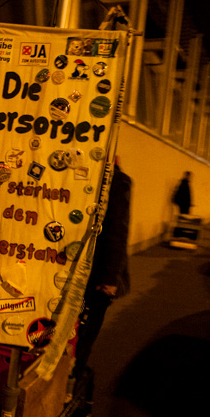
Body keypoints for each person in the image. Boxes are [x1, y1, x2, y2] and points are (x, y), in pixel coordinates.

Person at [73, 157, 132, 378]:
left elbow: (117, 231)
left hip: (77, 270)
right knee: (84, 333)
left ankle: (66, 377)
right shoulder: (117, 181)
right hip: (96, 274)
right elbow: (118, 230)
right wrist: (110, 278)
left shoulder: (79, 174)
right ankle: (71, 379)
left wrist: (111, 276)